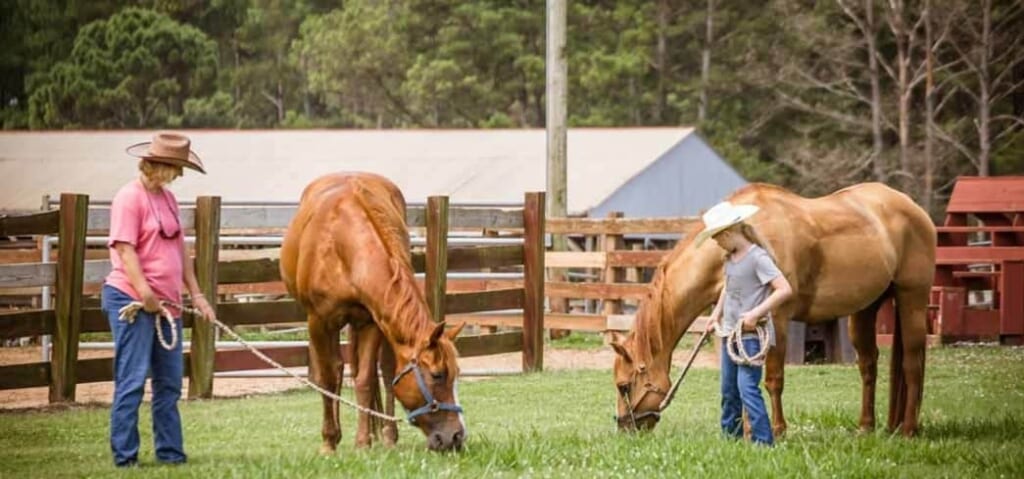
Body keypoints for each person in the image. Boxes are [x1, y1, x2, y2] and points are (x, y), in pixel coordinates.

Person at [100, 131, 216, 467]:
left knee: (168, 384)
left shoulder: (168, 199)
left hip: (168, 304)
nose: (178, 176)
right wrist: (146, 294)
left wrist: (196, 294)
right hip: (132, 301)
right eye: (176, 168)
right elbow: (124, 248)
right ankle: (125, 457)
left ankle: (171, 454)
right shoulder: (129, 197)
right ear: (160, 165)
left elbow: (180, 250)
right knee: (132, 380)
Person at [698, 201, 792, 446]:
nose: (717, 244)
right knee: (729, 391)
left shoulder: (758, 258)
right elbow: (728, 288)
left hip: (751, 335)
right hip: (730, 332)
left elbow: (784, 289)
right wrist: (715, 314)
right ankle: (731, 438)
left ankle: (763, 441)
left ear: (728, 234)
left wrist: (755, 313)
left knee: (747, 388)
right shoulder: (730, 258)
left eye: (717, 239)